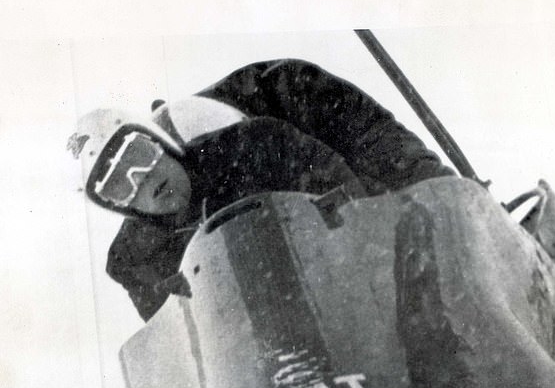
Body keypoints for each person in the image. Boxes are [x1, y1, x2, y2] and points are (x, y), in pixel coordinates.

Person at [68, 59, 454, 320]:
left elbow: (385, 160)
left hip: (381, 275)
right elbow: (194, 353)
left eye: (140, 154)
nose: (143, 179)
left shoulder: (273, 131)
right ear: (120, 209)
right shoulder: (144, 261)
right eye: (119, 186)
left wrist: (445, 207)